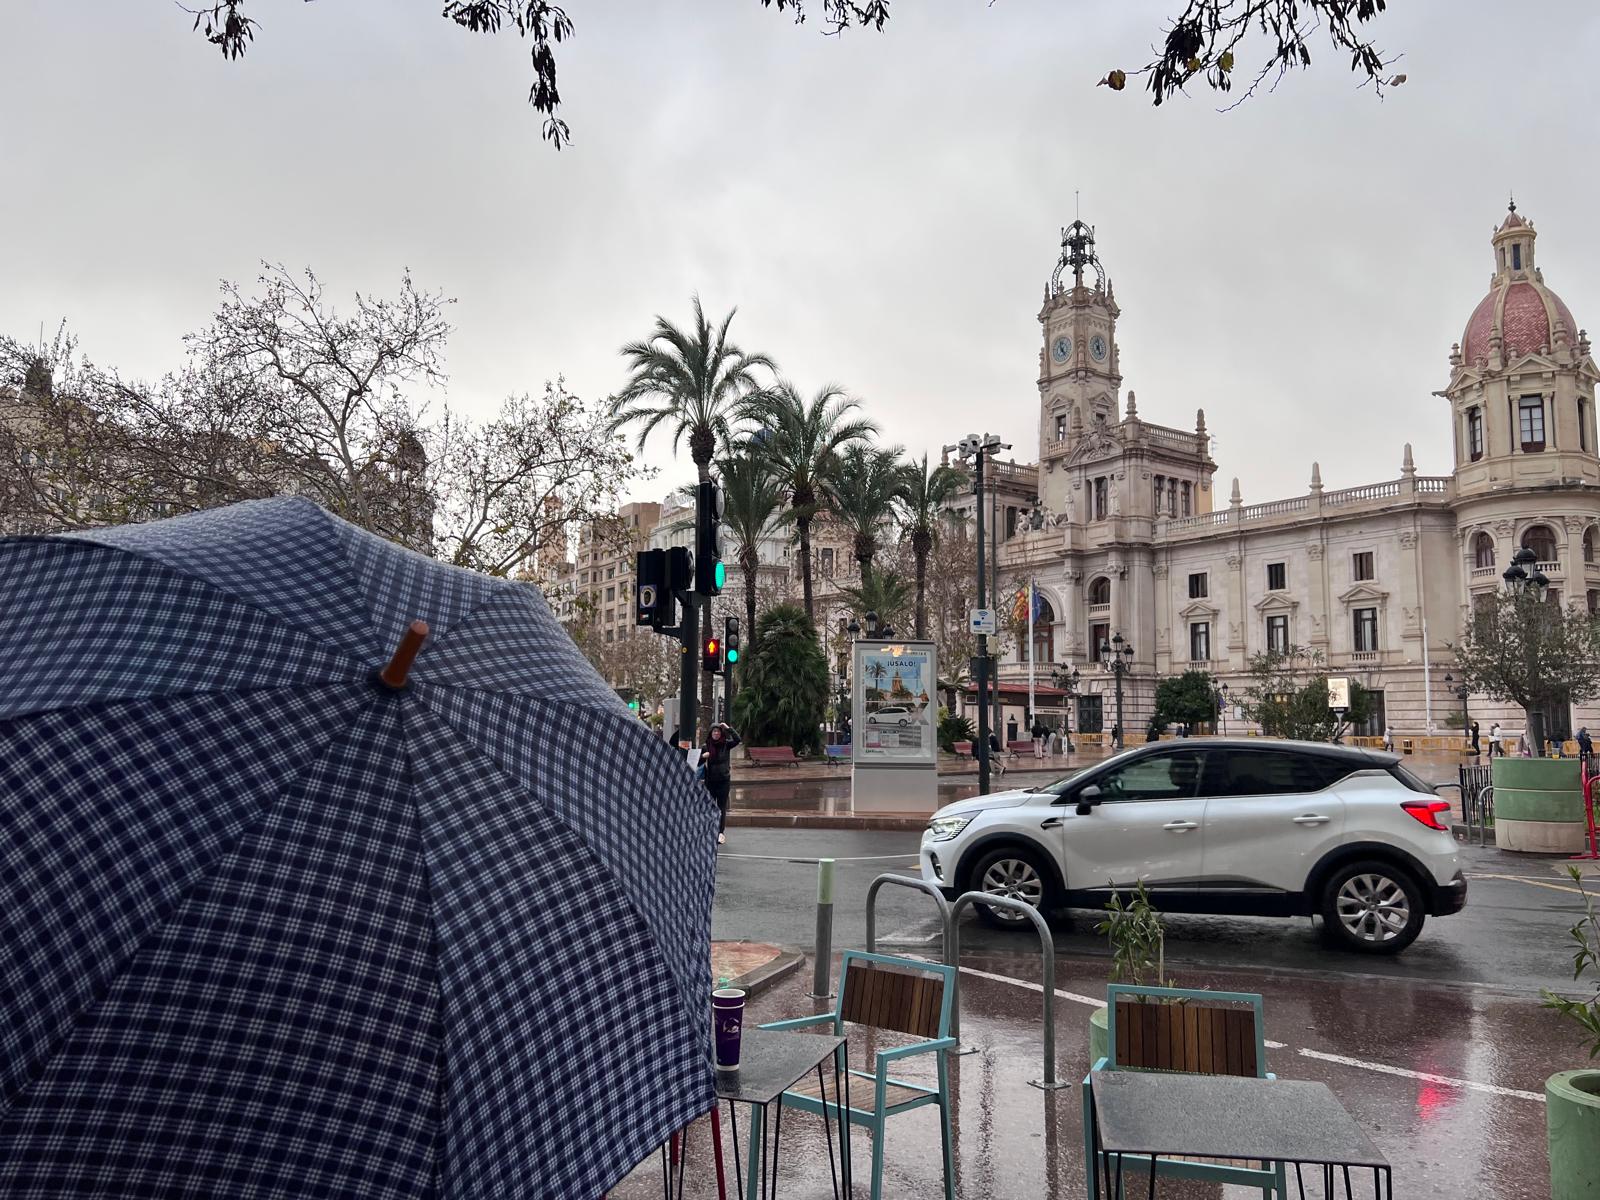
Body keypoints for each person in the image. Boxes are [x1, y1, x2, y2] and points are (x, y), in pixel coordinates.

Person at [700, 722, 742, 845]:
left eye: (718, 731)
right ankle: (710, 830)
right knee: (710, 807)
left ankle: (720, 832)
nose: (716, 733)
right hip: (710, 781)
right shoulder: (706, 746)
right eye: (714, 731)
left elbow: (738, 740)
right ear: (710, 733)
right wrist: (703, 756)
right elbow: (697, 762)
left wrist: (728, 728)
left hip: (723, 780)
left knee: (721, 807)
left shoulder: (726, 744)